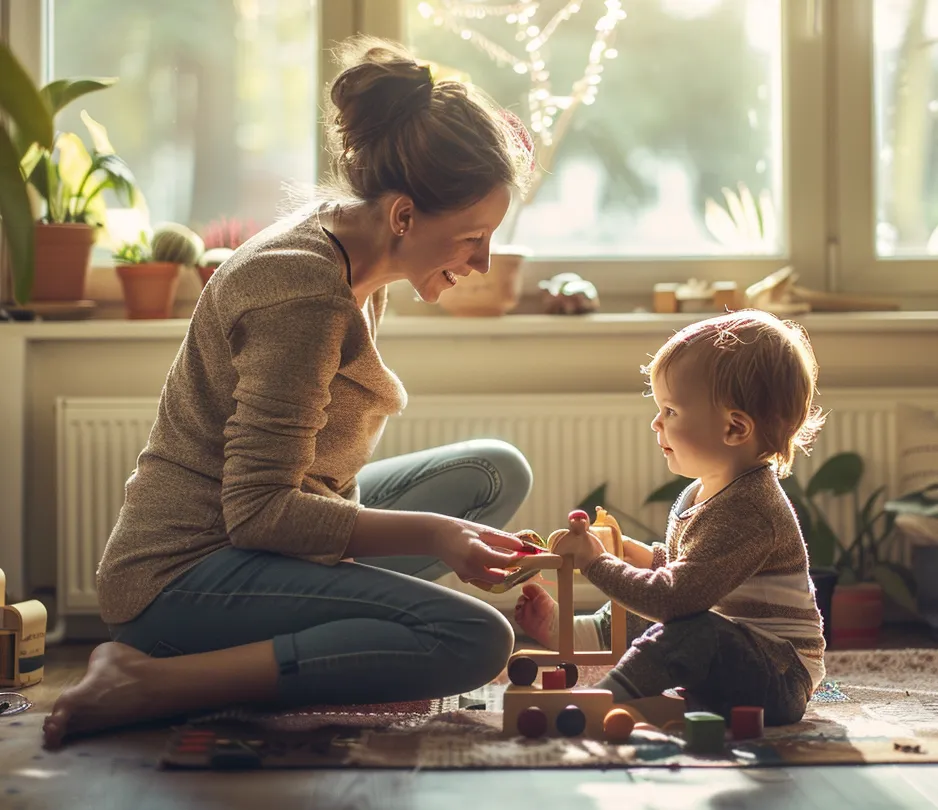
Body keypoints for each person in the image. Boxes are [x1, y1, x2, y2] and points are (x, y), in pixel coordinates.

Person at [43, 37, 537, 749]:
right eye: (472, 237)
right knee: (473, 637)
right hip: (184, 575)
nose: (484, 261)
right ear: (403, 216)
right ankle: (152, 679)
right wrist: (434, 535)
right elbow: (259, 513)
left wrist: (441, 538)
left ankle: (313, 631)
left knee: (495, 472)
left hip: (274, 539)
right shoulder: (303, 294)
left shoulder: (358, 252)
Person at [516, 310, 827, 725]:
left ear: (734, 428)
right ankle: (575, 632)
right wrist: (634, 554)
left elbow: (677, 597)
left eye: (671, 411)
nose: (656, 422)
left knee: (685, 626)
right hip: (732, 651)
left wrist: (596, 563)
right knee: (653, 606)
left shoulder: (751, 508)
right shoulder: (702, 489)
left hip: (778, 677)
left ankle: (603, 701)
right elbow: (695, 573)